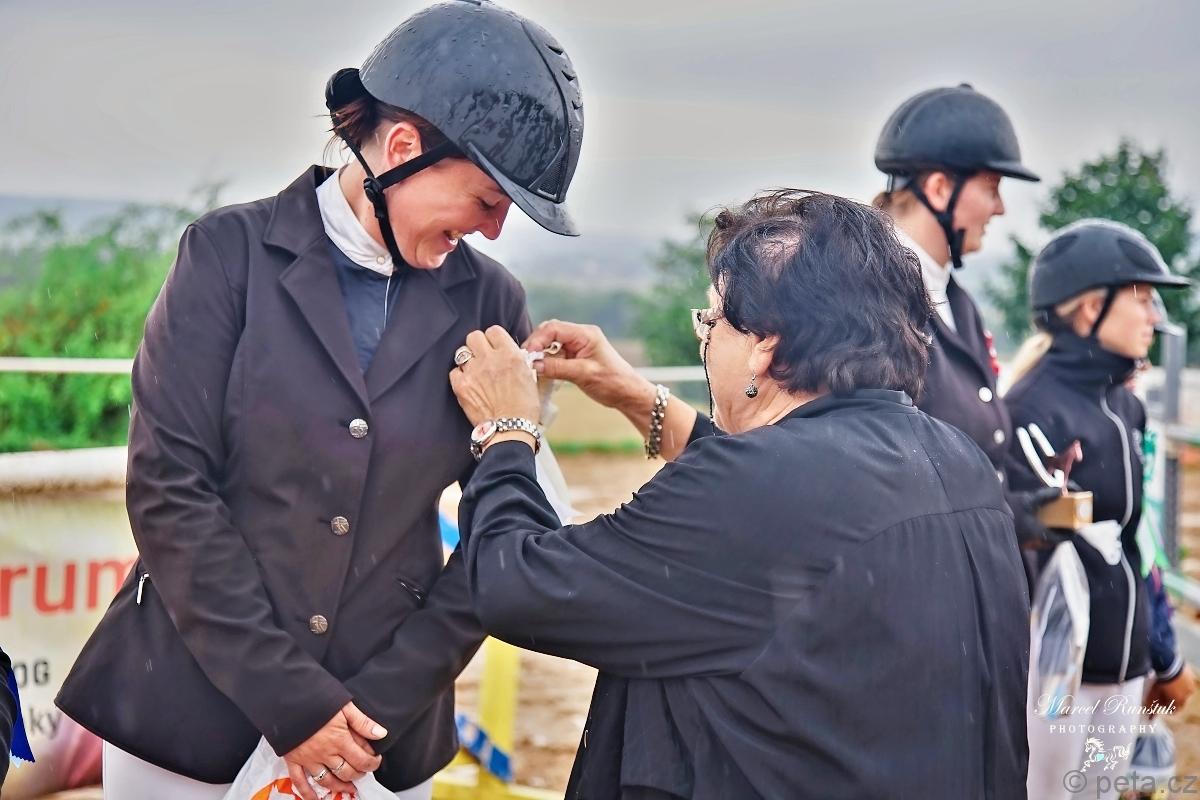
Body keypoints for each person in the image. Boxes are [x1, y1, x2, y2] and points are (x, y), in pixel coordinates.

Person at [54, 2, 585, 798]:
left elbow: (495, 532)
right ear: (402, 149)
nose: (495, 232)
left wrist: (375, 712)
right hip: (188, 716)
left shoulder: (490, 304)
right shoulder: (225, 256)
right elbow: (170, 491)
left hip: (378, 739)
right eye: (486, 201)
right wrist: (292, 704)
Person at [447, 190, 1031, 798]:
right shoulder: (956, 460)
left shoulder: (762, 489)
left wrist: (506, 430)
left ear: (764, 345)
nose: (705, 341)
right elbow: (790, 513)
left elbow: (518, 582)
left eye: (711, 321)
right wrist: (635, 396)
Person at [1002, 219, 1195, 799]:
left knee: (1103, 791)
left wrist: (1160, 656)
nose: (1154, 315)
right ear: (1091, 308)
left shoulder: (1126, 408)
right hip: (1056, 680)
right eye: (1142, 297)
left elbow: (1138, 543)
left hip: (1125, 669)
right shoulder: (1030, 408)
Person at [872, 84, 1062, 552]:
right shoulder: (875, 302)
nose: (1000, 208)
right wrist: (1006, 516)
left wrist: (1024, 502)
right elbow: (894, 470)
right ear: (939, 188)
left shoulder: (958, 302)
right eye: (992, 188)